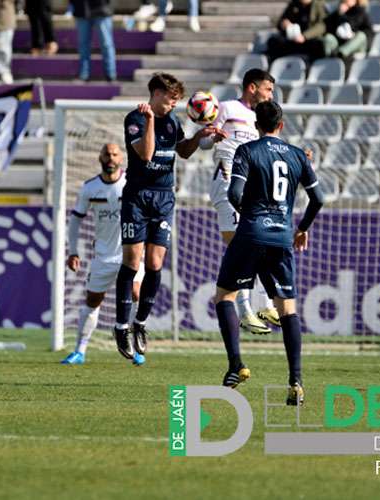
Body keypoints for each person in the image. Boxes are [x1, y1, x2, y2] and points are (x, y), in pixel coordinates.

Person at [214, 100, 323, 406]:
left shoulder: (247, 151)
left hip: (250, 233)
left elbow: (234, 193)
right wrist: (302, 228)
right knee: (287, 308)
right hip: (282, 237)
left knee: (224, 296)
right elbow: (318, 199)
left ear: (255, 125)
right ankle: (296, 382)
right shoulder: (298, 155)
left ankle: (236, 365)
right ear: (282, 125)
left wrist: (248, 215)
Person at [113, 73, 223, 360]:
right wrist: (150, 121)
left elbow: (183, 153)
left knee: (155, 262)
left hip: (164, 198)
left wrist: (199, 136)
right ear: (157, 93)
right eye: (171, 98)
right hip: (137, 196)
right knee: (132, 260)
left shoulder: (173, 122)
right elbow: (146, 155)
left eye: (177, 99)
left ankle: (140, 323)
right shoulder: (135, 119)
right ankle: (121, 325)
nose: (175, 104)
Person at [200, 68, 281, 335]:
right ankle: (246, 311)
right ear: (252, 87)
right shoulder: (226, 108)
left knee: (254, 246)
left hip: (249, 187)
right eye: (268, 89)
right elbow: (204, 143)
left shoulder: (259, 120)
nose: (271, 95)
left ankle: (264, 304)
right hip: (226, 183)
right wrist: (213, 137)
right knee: (243, 248)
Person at [62, 143, 145, 366]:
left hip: (131, 254)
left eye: (115, 154)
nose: (110, 158)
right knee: (93, 301)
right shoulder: (89, 188)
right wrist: (73, 251)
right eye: (106, 154)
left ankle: (137, 348)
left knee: (137, 292)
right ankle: (80, 351)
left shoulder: (132, 182)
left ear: (121, 158)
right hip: (103, 256)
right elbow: (75, 220)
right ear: (100, 157)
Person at [71, 0, 115, 82]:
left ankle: (111, 74)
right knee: (83, 45)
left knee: (106, 44)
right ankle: (84, 74)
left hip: (102, 8)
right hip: (81, 9)